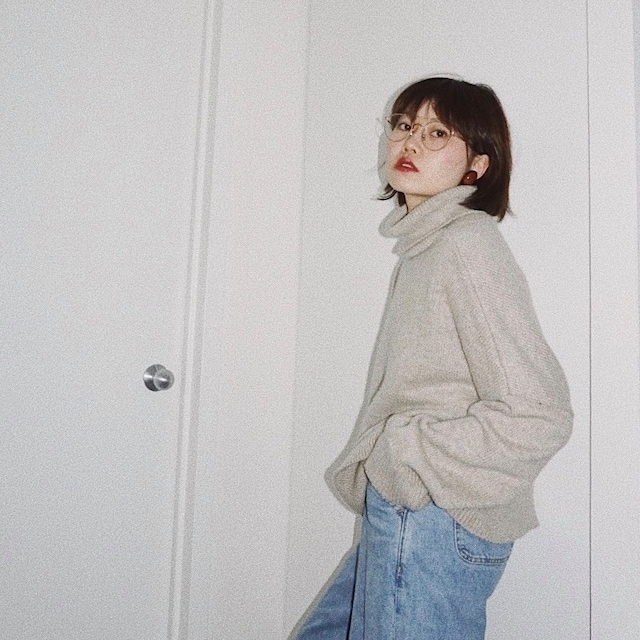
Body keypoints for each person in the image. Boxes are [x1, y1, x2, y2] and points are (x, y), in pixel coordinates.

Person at [290, 76, 573, 640]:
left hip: (431, 516)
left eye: (438, 133)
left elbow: (540, 414)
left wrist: (407, 452)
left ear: (478, 166)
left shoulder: (464, 245)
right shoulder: (428, 247)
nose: (411, 142)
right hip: (413, 510)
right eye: (404, 125)